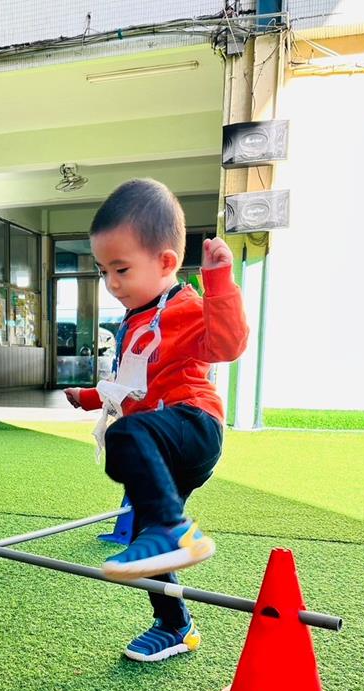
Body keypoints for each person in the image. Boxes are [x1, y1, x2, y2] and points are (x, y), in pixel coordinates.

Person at [65, 179, 248, 663]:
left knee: (130, 437)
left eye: (121, 269)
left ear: (166, 262)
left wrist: (220, 283)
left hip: (192, 424)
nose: (112, 283)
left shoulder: (185, 307)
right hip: (158, 443)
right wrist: (89, 397)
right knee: (147, 538)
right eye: (104, 271)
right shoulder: (134, 319)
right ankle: (175, 625)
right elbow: (131, 383)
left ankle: (173, 528)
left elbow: (228, 345)